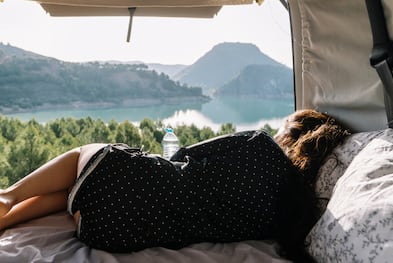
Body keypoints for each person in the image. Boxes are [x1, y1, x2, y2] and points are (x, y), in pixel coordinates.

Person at [0, 109, 349, 262]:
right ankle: (6, 220)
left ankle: (8, 195)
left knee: (90, 157)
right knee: (77, 194)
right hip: (109, 231)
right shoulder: (288, 212)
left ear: (292, 135)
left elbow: (184, 153)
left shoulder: (259, 144)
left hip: (118, 181)